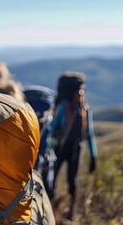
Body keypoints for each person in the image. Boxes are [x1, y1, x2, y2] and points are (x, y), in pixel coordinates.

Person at [50, 71, 98, 220]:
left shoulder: (85, 109)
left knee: (72, 180)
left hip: (76, 148)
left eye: (83, 89)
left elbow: (89, 133)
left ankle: (71, 212)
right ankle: (51, 208)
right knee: (52, 178)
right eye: (79, 89)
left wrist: (93, 156)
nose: (81, 92)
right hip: (61, 147)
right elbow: (52, 128)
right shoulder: (64, 107)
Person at [23, 85, 56, 199]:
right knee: (46, 189)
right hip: (43, 157)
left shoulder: (24, 118)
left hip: (28, 159)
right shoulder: (48, 117)